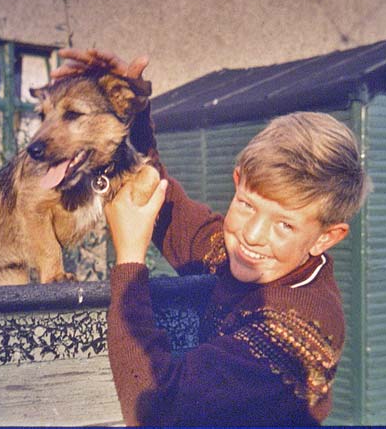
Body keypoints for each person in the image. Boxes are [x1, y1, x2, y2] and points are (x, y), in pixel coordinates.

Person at [52, 49, 369, 426]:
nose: (252, 235)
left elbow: (158, 409)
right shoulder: (247, 257)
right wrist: (127, 106)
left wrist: (130, 259)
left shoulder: (294, 332)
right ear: (237, 182)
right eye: (248, 205)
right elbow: (169, 211)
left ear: (325, 238)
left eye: (284, 225)